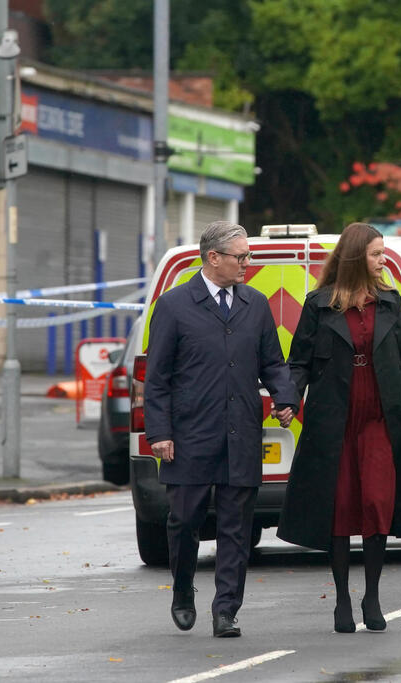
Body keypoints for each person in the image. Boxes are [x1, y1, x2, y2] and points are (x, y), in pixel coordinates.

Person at [277, 222, 401, 633]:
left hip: (382, 418)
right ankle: (343, 601)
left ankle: (372, 597)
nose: (383, 261)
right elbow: (300, 363)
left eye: (383, 254)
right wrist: (290, 401)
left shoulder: (388, 301)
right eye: (377, 254)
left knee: (377, 503)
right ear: (355, 258)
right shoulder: (318, 304)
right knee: (340, 507)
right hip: (334, 421)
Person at [144, 221, 299, 638]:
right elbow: (156, 378)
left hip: (241, 434)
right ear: (214, 258)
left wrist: (285, 398)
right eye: (241, 257)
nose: (248, 264)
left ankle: (226, 609)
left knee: (237, 527)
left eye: (248, 256)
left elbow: (272, 362)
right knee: (183, 520)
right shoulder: (175, 305)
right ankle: (182, 589)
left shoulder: (255, 303)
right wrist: (159, 433)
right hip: (189, 436)